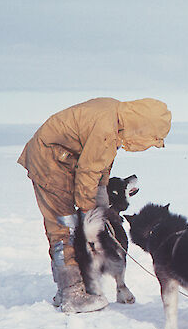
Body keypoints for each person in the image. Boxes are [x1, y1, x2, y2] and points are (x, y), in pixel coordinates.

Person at [18, 97, 172, 313]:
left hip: (63, 160)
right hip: (50, 162)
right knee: (64, 226)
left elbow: (100, 168)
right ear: (142, 125)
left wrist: (101, 201)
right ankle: (72, 293)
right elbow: (88, 173)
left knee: (74, 225)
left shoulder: (116, 118)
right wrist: (91, 213)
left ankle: (66, 289)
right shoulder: (107, 129)